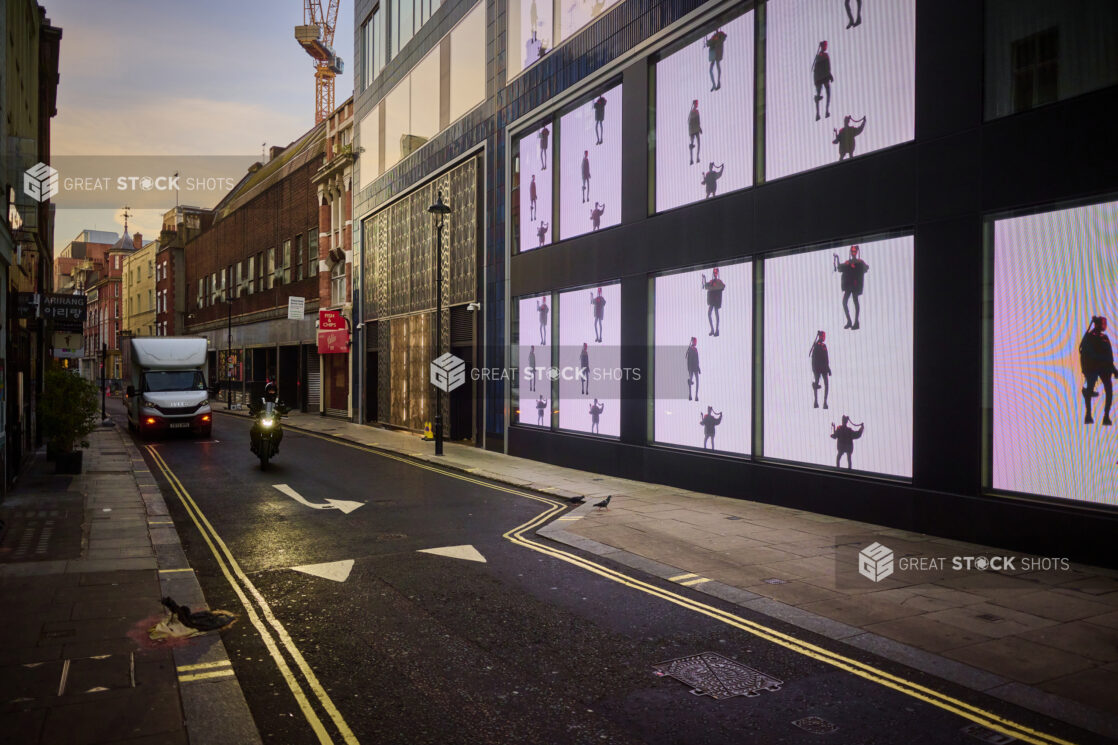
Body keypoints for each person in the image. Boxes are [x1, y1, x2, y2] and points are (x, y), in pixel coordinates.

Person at [1080, 315, 1117, 425]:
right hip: (1093, 368)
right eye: (1102, 323)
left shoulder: (1105, 338)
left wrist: (1114, 369)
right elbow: (1088, 354)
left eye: (1105, 323)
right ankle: (1088, 415)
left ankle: (1106, 416)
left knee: (1109, 390)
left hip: (1105, 368)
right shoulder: (1089, 337)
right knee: (1089, 388)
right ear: (1096, 324)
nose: (1104, 325)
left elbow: (1109, 357)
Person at [833, 244, 869, 330]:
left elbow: (865, 268)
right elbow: (840, 267)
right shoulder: (848, 262)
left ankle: (856, 321)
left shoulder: (860, 261)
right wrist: (837, 258)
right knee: (844, 302)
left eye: (854, 251)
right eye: (852, 251)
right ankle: (849, 321)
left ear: (856, 252)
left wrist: (856, 267)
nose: (853, 253)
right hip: (849, 285)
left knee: (855, 301)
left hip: (855, 284)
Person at [249, 382, 284, 454]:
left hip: (273, 420)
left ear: (275, 391)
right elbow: (256, 406)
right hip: (262, 419)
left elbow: (283, 407)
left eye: (273, 391)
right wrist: (252, 410)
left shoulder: (278, 401)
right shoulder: (262, 400)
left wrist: (284, 411)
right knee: (253, 430)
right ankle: (254, 444)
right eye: (270, 390)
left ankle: (276, 446)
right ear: (266, 391)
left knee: (280, 432)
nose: (271, 392)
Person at [812, 41, 833, 121]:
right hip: (822, 77)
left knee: (821, 94)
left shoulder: (819, 56)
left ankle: (823, 112)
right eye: (825, 45)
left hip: (820, 78)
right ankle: (821, 112)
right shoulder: (823, 56)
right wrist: (829, 75)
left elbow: (826, 67)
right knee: (827, 93)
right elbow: (826, 67)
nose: (826, 47)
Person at [810, 330, 831, 409]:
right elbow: (814, 359)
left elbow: (826, 358)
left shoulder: (824, 346)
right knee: (816, 383)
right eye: (823, 336)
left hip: (824, 368)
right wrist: (815, 369)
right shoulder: (816, 346)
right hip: (818, 368)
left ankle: (825, 402)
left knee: (826, 384)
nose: (824, 338)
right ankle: (816, 401)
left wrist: (828, 368)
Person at [701, 267, 725, 336]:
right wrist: (704, 278)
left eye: (716, 272)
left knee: (716, 314)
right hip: (712, 300)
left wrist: (715, 287)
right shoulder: (712, 282)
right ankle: (712, 329)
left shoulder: (719, 281)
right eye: (714, 272)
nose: (715, 274)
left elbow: (722, 286)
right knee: (709, 314)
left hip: (716, 300)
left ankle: (716, 330)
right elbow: (706, 286)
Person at [685, 337, 701, 401]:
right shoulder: (690, 349)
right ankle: (690, 395)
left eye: (696, 341)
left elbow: (697, 359)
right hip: (692, 367)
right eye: (695, 341)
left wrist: (698, 367)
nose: (695, 342)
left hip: (695, 368)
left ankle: (696, 396)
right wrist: (689, 369)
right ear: (693, 342)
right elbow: (689, 360)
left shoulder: (695, 349)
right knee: (692, 381)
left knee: (697, 382)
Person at [688, 100, 702, 165]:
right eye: (696, 103)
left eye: (697, 104)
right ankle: (691, 159)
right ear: (694, 104)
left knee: (698, 143)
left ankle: (697, 157)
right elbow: (690, 122)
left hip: (695, 130)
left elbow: (698, 121)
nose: (697, 105)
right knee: (692, 144)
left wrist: (699, 128)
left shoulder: (696, 111)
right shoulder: (692, 112)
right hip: (693, 130)